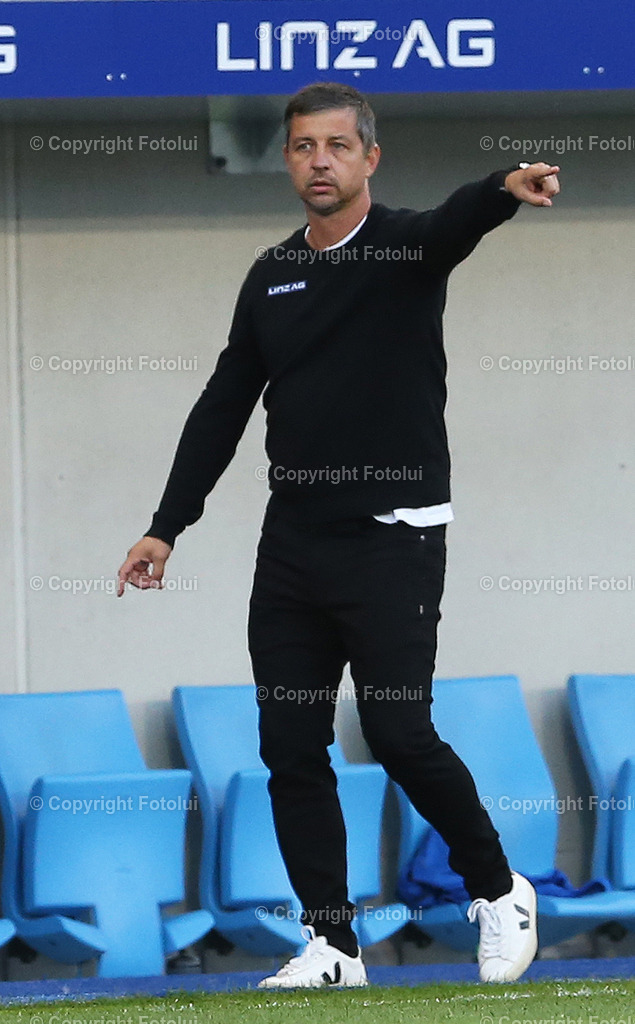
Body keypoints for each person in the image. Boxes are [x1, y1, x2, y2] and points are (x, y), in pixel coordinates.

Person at [118, 82, 560, 988]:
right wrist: (167, 527)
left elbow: (454, 224)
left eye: (335, 146)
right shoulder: (270, 274)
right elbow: (222, 407)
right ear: (286, 161)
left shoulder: (404, 245)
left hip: (392, 537)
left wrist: (498, 189)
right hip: (293, 545)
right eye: (301, 147)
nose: (318, 161)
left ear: (368, 158)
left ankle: (497, 887)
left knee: (398, 731)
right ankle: (333, 944)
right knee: (288, 744)